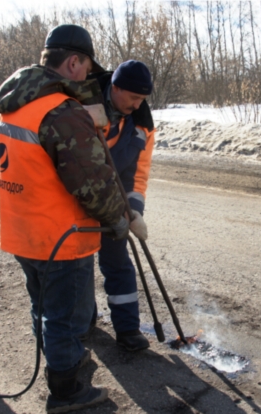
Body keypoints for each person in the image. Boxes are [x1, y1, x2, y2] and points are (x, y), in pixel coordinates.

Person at [0, 24, 129, 414]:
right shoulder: (59, 111)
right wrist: (117, 218)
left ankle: (61, 360)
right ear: (73, 61)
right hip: (60, 237)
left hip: (23, 232)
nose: (87, 75)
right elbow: (91, 181)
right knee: (67, 315)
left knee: (45, 306)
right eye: (85, 66)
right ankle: (66, 388)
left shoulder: (17, 103)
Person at [88, 60, 155, 352]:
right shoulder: (83, 104)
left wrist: (134, 210)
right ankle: (82, 323)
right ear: (114, 87)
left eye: (142, 99)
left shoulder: (142, 125)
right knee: (76, 268)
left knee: (118, 264)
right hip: (73, 200)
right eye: (133, 97)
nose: (138, 104)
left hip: (112, 203)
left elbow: (137, 174)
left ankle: (128, 329)